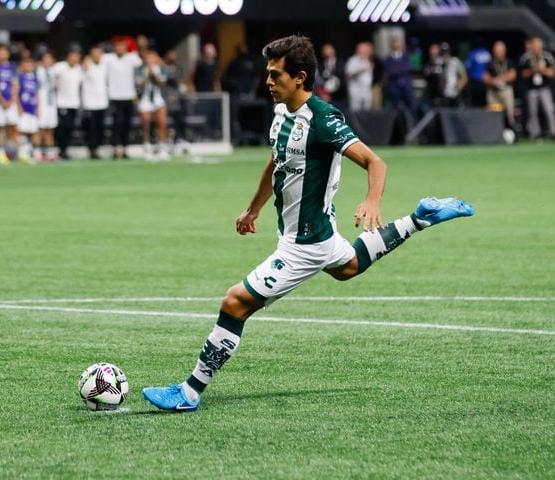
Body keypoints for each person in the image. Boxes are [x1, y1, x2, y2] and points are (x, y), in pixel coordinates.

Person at [142, 35, 474, 412]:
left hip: (304, 245)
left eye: (275, 74)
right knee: (348, 266)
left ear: (299, 77)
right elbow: (276, 161)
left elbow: (375, 162)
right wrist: (253, 209)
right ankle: (419, 218)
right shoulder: (282, 111)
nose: (267, 81)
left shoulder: (324, 120)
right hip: (317, 233)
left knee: (234, 303)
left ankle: (188, 392)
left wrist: (372, 199)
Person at [103, 38, 142, 159]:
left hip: (129, 96)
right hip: (115, 96)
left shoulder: (132, 58)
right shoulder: (108, 58)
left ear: (126, 48)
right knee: (117, 124)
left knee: (127, 124)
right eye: (118, 46)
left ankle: (125, 148)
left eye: (122, 46)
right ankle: (115, 149)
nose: (120, 49)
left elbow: (143, 63)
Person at [519, 37, 555, 140]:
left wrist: (542, 70)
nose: (536, 48)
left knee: (549, 110)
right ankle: (535, 134)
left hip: (544, 88)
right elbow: (522, 74)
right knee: (533, 112)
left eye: (538, 46)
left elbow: (552, 73)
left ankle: (553, 132)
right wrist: (533, 70)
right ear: (531, 46)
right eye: (534, 46)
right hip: (531, 88)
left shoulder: (547, 56)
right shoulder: (526, 58)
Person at [136, 49, 169, 161]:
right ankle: (147, 146)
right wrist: (147, 77)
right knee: (146, 123)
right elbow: (140, 86)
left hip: (158, 98)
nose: (150, 60)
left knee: (161, 123)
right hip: (145, 99)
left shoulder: (161, 68)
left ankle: (162, 147)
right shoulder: (140, 69)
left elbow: (163, 83)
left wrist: (154, 75)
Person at [0, 45, 19, 164]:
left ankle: (11, 151)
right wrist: (2, 100)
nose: (2, 54)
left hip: (11, 102)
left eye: (4, 51)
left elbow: (15, 85)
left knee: (12, 126)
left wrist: (11, 100)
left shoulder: (12, 67)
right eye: (0, 51)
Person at [53, 48, 82, 159]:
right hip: (61, 103)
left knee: (70, 128)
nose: (74, 58)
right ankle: (59, 149)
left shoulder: (80, 69)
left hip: (74, 104)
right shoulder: (59, 67)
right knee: (62, 127)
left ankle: (65, 150)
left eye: (76, 56)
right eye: (72, 56)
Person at [81, 45, 108, 160]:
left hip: (102, 102)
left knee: (100, 128)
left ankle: (97, 148)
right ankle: (91, 149)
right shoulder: (87, 65)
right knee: (91, 128)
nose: (97, 56)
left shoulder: (105, 65)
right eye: (95, 53)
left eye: (99, 53)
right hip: (90, 103)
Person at [483, 41, 517, 131]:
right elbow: (485, 77)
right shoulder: (490, 63)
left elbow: (513, 74)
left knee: (509, 111)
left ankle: (511, 130)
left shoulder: (509, 62)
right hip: (493, 90)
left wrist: (502, 78)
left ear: (504, 51)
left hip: (506, 89)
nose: (498, 52)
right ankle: (493, 131)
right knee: (492, 111)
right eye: (497, 50)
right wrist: (493, 81)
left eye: (500, 50)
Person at [383, 37, 416, 117]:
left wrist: (396, 69)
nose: (397, 45)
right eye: (395, 43)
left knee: (411, 108)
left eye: (398, 43)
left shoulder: (406, 57)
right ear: (391, 45)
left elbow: (408, 67)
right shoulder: (388, 59)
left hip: (406, 87)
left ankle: (412, 125)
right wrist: (400, 69)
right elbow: (389, 70)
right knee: (395, 109)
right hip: (394, 87)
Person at [35, 51, 58, 161]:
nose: (48, 61)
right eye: (46, 59)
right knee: (40, 128)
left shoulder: (54, 70)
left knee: (50, 129)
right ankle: (38, 152)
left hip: (51, 104)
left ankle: (50, 153)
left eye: (50, 58)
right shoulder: (37, 71)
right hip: (41, 104)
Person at [16, 56, 39, 163]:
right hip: (23, 108)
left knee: (33, 131)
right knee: (22, 131)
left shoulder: (34, 77)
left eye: (30, 64)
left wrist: (38, 107)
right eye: (26, 64)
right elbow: (15, 93)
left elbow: (36, 94)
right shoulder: (20, 77)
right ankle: (22, 153)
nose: (28, 66)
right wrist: (19, 107)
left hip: (32, 108)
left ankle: (32, 152)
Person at [314, 43, 347, 110]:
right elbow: (318, 80)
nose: (327, 51)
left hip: (340, 96)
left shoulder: (340, 63)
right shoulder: (320, 66)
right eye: (325, 50)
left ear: (333, 51)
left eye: (328, 49)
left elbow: (342, 79)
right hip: (326, 97)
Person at [345, 42, 373, 111]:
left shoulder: (367, 60)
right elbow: (349, 73)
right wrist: (362, 69)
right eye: (364, 50)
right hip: (356, 92)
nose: (366, 52)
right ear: (358, 50)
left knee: (366, 114)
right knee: (355, 113)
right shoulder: (352, 60)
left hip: (366, 91)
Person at [440, 43, 468, 107]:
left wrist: (459, 86)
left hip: (455, 94)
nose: (445, 54)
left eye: (446, 52)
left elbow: (464, 76)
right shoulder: (439, 62)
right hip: (444, 94)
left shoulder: (455, 61)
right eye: (443, 52)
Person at [422, 43, 445, 111]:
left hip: (440, 92)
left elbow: (443, 76)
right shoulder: (428, 63)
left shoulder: (442, 62)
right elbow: (425, 74)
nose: (432, 51)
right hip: (430, 92)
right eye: (431, 49)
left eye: (434, 49)